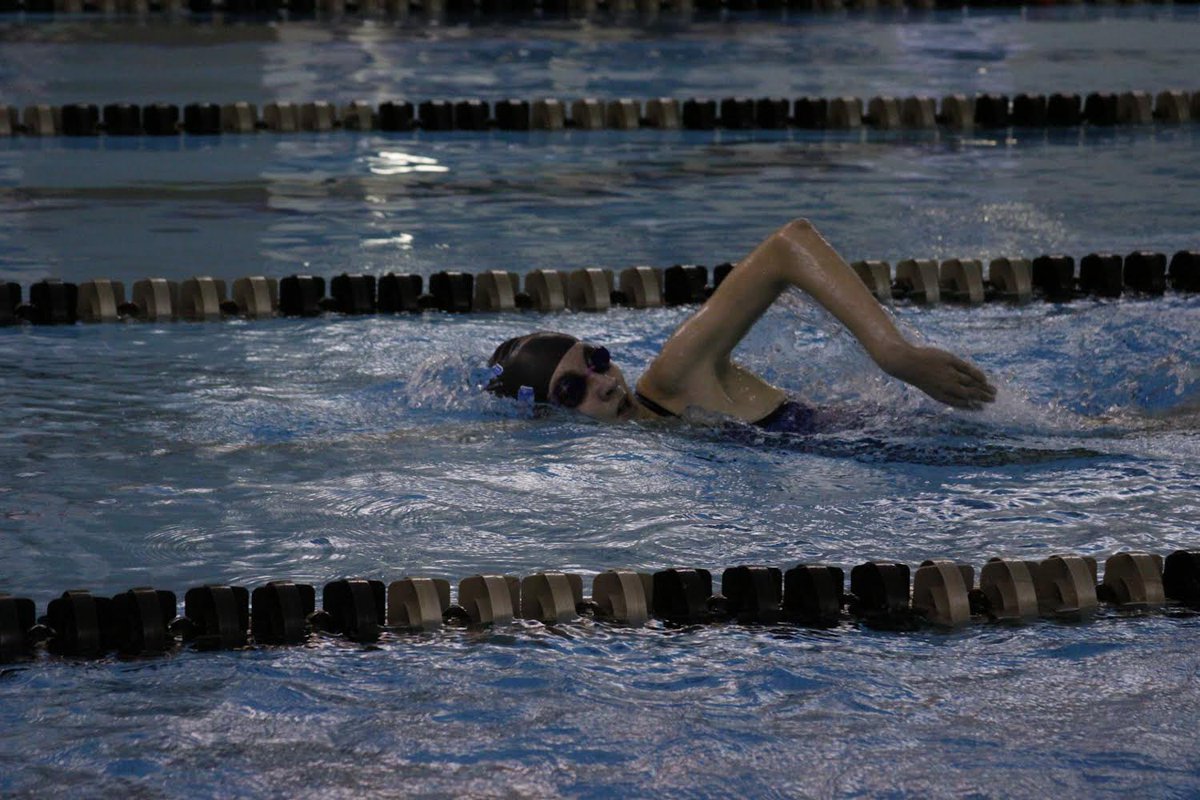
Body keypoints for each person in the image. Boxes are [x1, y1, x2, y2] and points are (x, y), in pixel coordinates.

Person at [486, 219, 996, 431]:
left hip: (939, 429)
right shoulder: (665, 435)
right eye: (573, 388)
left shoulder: (671, 378)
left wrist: (894, 354)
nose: (603, 382)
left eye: (596, 360)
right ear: (547, 419)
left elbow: (789, 245)